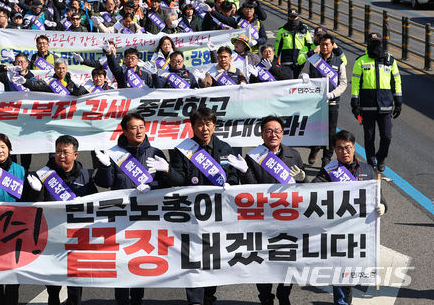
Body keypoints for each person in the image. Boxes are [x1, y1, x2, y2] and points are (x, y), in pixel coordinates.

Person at [162, 108, 239, 305]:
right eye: (200, 124)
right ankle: (195, 300)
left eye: (208, 124)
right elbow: (179, 179)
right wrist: (168, 171)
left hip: (217, 213)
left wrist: (232, 182)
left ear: (214, 125)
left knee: (213, 257)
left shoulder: (225, 148)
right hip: (192, 214)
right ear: (193, 126)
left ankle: (208, 295)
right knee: (193, 258)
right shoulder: (182, 150)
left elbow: (232, 176)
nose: (204, 128)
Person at [94, 112, 169, 305]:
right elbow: (106, 182)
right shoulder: (114, 153)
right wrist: (104, 167)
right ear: (125, 131)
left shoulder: (155, 153)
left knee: (138, 259)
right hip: (119, 216)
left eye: (141, 127)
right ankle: (121, 300)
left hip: (144, 217)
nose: (138, 131)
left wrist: (152, 185)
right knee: (120, 261)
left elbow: (166, 184)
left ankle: (137, 299)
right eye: (134, 128)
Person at [312, 130, 387, 305]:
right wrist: (301, 182)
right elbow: (313, 193)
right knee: (338, 268)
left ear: (354, 148)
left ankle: (347, 295)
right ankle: (341, 301)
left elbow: (379, 195)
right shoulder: (327, 172)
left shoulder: (368, 169)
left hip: (361, 230)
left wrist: (383, 205)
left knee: (353, 271)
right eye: (339, 148)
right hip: (337, 228)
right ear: (335, 150)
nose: (344, 152)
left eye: (347, 147)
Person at [238, 116, 306, 305]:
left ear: (282, 134)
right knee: (263, 260)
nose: (273, 134)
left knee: (288, 258)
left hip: (288, 218)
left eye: (277, 131)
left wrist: (302, 179)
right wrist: (244, 172)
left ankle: (284, 293)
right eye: (269, 130)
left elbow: (305, 192)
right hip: (263, 218)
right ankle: (265, 296)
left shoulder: (294, 155)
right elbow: (249, 189)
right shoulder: (253, 157)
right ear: (262, 134)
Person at [27, 135, 97, 305]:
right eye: (58, 152)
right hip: (51, 234)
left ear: (75, 155)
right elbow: (34, 206)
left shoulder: (85, 176)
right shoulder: (44, 175)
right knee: (52, 281)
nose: (61, 155)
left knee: (75, 281)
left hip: (76, 236)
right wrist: (35, 192)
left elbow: (94, 203)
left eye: (65, 152)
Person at [0, 133, 39, 305]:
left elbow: (29, 202)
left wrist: (35, 191)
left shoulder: (21, 171)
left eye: (3, 147)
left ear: (9, 149)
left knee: (12, 277)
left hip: (15, 231)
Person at [350, 32, 402, 172]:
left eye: (377, 42)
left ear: (381, 43)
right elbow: (355, 83)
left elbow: (396, 81)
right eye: (372, 42)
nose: (375, 45)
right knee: (369, 137)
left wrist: (398, 102)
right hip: (367, 106)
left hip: (385, 106)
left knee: (387, 136)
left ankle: (381, 157)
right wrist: (355, 103)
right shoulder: (361, 61)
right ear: (367, 44)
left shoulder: (390, 61)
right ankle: (371, 161)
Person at [299, 33, 348, 166]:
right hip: (315, 102)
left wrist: (333, 94)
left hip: (332, 101)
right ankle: (314, 149)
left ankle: (327, 156)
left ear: (332, 46)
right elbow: (302, 74)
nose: (324, 47)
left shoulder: (339, 62)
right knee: (315, 127)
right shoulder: (313, 60)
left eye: (327, 44)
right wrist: (304, 76)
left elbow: (343, 83)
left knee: (331, 131)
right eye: (322, 44)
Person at [275, 9, 313, 78]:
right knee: (288, 81)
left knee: (300, 82)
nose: (293, 19)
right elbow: (277, 47)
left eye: (294, 17)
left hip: (301, 61)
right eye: (291, 17)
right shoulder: (281, 31)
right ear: (288, 17)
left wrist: (309, 58)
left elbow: (309, 45)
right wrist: (275, 59)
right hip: (286, 62)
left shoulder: (304, 30)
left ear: (298, 17)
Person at [20, 58, 87, 96]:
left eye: (63, 68)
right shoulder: (50, 81)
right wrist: (25, 81)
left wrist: (78, 88)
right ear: (54, 69)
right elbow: (37, 85)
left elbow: (84, 93)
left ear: (67, 69)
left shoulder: (73, 80)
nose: (61, 71)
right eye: (58, 68)